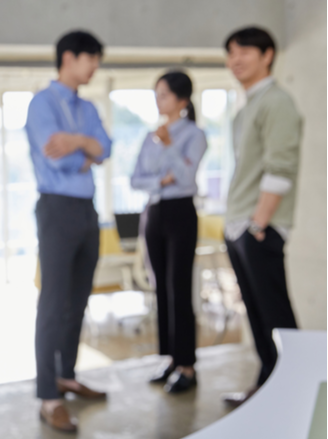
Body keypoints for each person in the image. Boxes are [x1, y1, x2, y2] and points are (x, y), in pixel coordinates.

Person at [25, 30, 113, 433]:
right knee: (53, 302)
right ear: (69, 58)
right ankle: (49, 396)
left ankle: (67, 376)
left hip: (87, 210)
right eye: (91, 58)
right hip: (57, 208)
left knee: (78, 300)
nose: (94, 66)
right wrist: (88, 150)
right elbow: (57, 160)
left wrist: (77, 141)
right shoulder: (42, 104)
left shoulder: (88, 107)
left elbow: (106, 148)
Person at [220, 26, 303, 408]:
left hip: (257, 227)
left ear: (267, 55)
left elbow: (280, 167)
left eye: (244, 51)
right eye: (231, 53)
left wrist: (258, 223)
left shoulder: (277, 102)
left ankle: (296, 396)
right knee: (257, 315)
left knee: (275, 315)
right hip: (240, 225)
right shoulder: (248, 107)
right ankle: (270, 387)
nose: (235, 60)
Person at [131, 71, 207, 394]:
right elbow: (135, 179)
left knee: (179, 287)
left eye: (163, 95)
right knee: (160, 286)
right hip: (154, 212)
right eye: (156, 95)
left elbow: (187, 177)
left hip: (181, 212)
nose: (158, 101)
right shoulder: (150, 136)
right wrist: (160, 181)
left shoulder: (194, 135)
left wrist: (170, 146)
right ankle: (171, 359)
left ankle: (187, 365)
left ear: (182, 100)